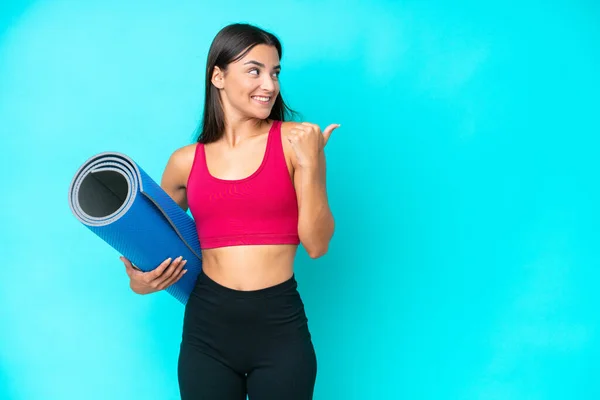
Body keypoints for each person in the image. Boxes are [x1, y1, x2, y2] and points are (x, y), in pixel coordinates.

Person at [118, 23, 338, 399]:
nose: (269, 85)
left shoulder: (295, 142)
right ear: (217, 76)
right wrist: (138, 280)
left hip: (279, 329)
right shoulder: (186, 162)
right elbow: (145, 235)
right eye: (254, 70)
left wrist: (313, 165)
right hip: (207, 332)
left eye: (275, 72)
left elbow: (316, 245)